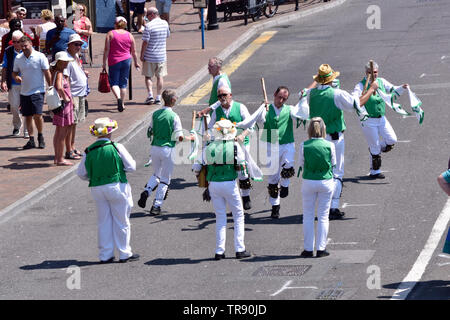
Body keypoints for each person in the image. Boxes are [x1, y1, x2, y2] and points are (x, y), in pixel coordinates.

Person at [299, 64, 368, 220]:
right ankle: (333, 206)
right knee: (336, 171)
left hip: (315, 139)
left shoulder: (311, 94)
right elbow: (357, 104)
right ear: (331, 79)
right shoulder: (336, 94)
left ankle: (324, 204)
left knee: (321, 171)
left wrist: (314, 84)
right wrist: (371, 89)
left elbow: (302, 92)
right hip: (334, 138)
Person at [236, 86, 308, 219]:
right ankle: (275, 206)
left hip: (286, 142)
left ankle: (285, 185)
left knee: (288, 164)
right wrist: (237, 126)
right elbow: (251, 120)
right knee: (273, 178)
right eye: (279, 97)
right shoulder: (265, 109)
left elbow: (302, 113)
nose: (281, 100)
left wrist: (303, 98)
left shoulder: (290, 109)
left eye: (284, 99)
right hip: (269, 143)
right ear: (274, 95)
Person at [76, 117, 139, 264]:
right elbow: (131, 166)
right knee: (121, 220)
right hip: (116, 185)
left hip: (97, 187)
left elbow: (81, 173)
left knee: (103, 221)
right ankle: (124, 253)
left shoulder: (88, 150)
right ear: (109, 133)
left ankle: (105, 255)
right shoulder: (116, 146)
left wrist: (94, 177)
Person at [193, 119, 252, 260]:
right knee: (238, 216)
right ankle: (240, 249)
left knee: (220, 217)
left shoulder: (209, 147)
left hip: (213, 184)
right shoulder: (235, 146)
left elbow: (196, 167)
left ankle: (219, 251)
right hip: (230, 184)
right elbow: (242, 171)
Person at [138, 89, 194, 214]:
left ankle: (147, 191)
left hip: (155, 148)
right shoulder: (174, 116)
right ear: (173, 100)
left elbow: (150, 131)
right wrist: (190, 138)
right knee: (165, 179)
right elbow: (179, 137)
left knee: (156, 174)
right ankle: (156, 206)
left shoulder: (155, 114)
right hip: (168, 149)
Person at [352, 61, 408, 179]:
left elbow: (393, 90)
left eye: (375, 72)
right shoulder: (360, 86)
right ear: (365, 72)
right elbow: (356, 102)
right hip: (368, 120)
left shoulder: (381, 81)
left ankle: (375, 150)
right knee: (375, 147)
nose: (373, 75)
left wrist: (402, 88)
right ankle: (375, 171)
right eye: (369, 72)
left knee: (392, 139)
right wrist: (370, 89)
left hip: (381, 118)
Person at [205, 86, 254, 210]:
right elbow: (211, 128)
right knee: (226, 169)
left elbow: (251, 125)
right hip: (224, 144)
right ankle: (230, 197)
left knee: (242, 169)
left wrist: (243, 135)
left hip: (241, 143)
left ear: (230, 95)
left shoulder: (240, 107)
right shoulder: (217, 111)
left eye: (224, 95)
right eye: (219, 96)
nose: (222, 98)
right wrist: (208, 134)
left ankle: (246, 196)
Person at [298, 117, 336, 258]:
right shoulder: (329, 145)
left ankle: (308, 249)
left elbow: (301, 164)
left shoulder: (304, 145)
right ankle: (321, 248)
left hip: (309, 181)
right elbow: (334, 163)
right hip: (325, 181)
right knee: (323, 216)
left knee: (307, 216)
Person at [12, 36, 51, 150]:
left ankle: (40, 135)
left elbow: (47, 72)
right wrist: (16, 77)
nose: (24, 48)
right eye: (22, 46)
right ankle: (31, 139)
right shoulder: (19, 58)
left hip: (38, 90)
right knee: (27, 116)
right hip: (24, 91)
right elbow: (14, 72)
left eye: (26, 46)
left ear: (31, 44)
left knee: (38, 115)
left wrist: (51, 87)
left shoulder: (40, 56)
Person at [103, 16, 140, 112]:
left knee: (114, 83)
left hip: (114, 60)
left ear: (115, 24)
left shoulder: (110, 34)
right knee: (123, 83)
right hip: (127, 60)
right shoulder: (129, 35)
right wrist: (136, 62)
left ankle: (118, 98)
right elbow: (134, 51)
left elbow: (106, 50)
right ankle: (122, 103)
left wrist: (104, 63)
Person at [50, 51, 77, 166]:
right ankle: (60, 158)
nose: (66, 63)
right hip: (63, 105)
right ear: (59, 62)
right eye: (65, 61)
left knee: (58, 133)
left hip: (59, 105)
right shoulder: (59, 73)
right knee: (62, 132)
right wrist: (66, 98)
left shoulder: (55, 72)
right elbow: (60, 87)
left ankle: (57, 157)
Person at [66, 34, 89, 159]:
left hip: (80, 94)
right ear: (69, 45)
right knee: (70, 124)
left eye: (80, 44)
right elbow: (66, 80)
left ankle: (72, 146)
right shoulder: (66, 59)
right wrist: (69, 97)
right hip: (73, 95)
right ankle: (68, 150)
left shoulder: (76, 57)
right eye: (76, 44)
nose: (78, 46)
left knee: (75, 123)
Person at [1, 30, 27, 137]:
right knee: (14, 107)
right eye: (14, 41)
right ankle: (17, 126)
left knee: (26, 108)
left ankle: (27, 130)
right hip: (13, 83)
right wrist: (3, 81)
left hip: (27, 83)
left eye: (18, 41)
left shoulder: (29, 50)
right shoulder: (8, 51)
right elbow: (5, 67)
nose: (16, 44)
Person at [141, 7, 170, 105]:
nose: (147, 18)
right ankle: (158, 97)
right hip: (161, 55)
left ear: (152, 15)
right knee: (160, 76)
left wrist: (142, 54)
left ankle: (150, 96)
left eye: (147, 16)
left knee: (148, 77)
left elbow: (145, 42)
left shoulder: (148, 26)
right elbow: (167, 35)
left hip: (150, 55)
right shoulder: (165, 23)